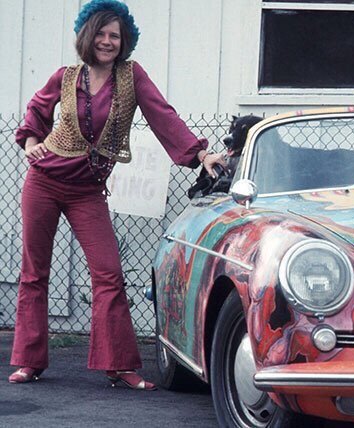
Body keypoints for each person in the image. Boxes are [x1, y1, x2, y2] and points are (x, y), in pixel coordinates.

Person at [9, 0, 219, 390]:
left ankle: (118, 365)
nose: (108, 42)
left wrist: (201, 154)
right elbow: (36, 114)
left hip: (87, 191)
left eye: (115, 36)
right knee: (34, 273)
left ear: (125, 42)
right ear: (88, 35)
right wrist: (31, 144)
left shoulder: (132, 76)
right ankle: (28, 361)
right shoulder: (65, 76)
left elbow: (163, 116)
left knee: (108, 274)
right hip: (44, 182)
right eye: (102, 34)